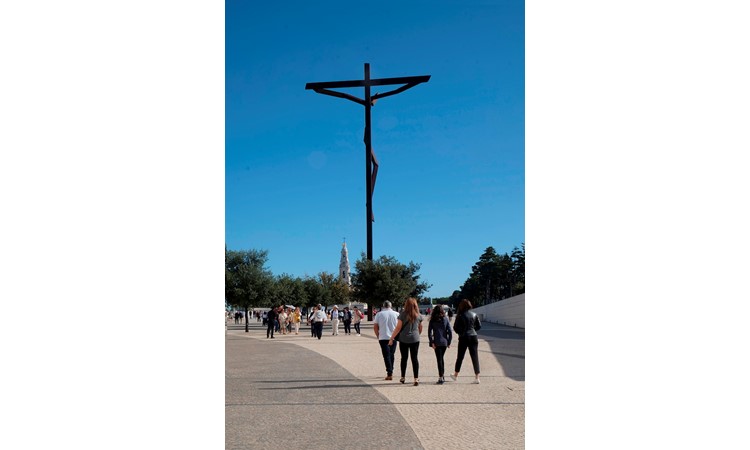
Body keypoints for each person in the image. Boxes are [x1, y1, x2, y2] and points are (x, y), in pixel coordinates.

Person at [388, 297, 423, 386]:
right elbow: (420, 327)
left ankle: (403, 377)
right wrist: (417, 334)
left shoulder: (403, 315)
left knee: (404, 358)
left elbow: (398, 328)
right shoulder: (418, 315)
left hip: (404, 339)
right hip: (415, 339)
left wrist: (392, 338)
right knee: (414, 358)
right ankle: (416, 378)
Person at [450, 299, 482, 384]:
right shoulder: (474, 314)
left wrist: (461, 332)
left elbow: (455, 327)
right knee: (475, 357)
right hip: (473, 336)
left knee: (460, 356)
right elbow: (479, 326)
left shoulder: (460, 315)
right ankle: (477, 377)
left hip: (464, 337)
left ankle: (456, 375)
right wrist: (473, 330)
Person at [373, 300, 399, 380]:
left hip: (383, 337)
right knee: (392, 354)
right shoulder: (396, 314)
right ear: (391, 306)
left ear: (383, 306)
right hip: (394, 337)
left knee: (386, 355)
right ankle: (391, 370)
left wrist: (378, 335)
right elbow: (399, 326)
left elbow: (375, 326)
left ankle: (389, 372)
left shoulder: (379, 314)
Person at [428, 305, 453, 384]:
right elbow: (450, 331)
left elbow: (429, 332)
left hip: (437, 342)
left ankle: (441, 377)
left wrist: (431, 342)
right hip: (444, 342)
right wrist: (449, 342)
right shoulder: (445, 319)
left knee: (439, 359)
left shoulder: (433, 320)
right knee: (441, 359)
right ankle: (442, 375)